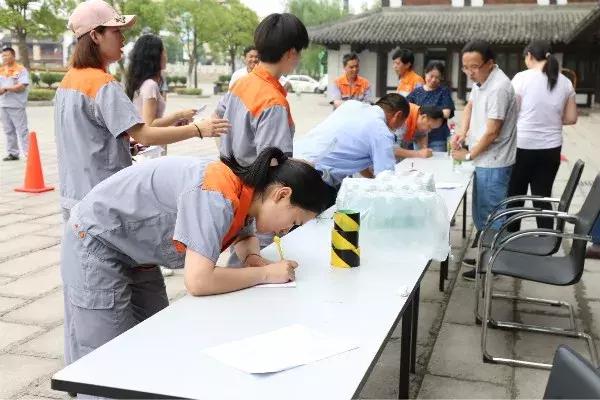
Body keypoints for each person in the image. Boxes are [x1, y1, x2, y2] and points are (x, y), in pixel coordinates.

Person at [61, 147, 334, 366]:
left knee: (153, 342)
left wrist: (252, 257)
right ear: (281, 194)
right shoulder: (217, 193)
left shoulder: (246, 193)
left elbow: (243, 233)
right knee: (105, 359)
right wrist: (265, 273)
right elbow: (199, 281)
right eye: (295, 220)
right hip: (98, 244)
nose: (288, 229)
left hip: (137, 255)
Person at [55, 0, 229, 222]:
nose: (123, 39)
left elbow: (85, 137)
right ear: (95, 36)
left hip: (74, 195)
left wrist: (123, 146)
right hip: (103, 198)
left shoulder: (67, 82)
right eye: (116, 31)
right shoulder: (102, 83)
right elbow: (145, 133)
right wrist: (198, 129)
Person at [450, 40, 518, 281]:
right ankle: (485, 254)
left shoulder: (499, 87)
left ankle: (492, 265)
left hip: (495, 161)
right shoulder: (482, 82)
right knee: (482, 212)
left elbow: (492, 132)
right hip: (484, 159)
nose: (469, 72)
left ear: (490, 63)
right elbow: (470, 106)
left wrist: (468, 155)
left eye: (475, 67)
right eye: (465, 67)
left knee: (491, 213)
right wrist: (462, 131)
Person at [216, 13, 308, 167]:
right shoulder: (273, 102)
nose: (299, 58)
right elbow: (273, 166)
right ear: (291, 53)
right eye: (300, 52)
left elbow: (216, 117)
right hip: (252, 188)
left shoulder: (240, 83)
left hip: (227, 177)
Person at [507, 40, 578, 231]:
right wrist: (552, 118)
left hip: (522, 146)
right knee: (543, 196)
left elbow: (512, 113)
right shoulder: (565, 81)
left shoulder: (521, 78)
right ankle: (547, 238)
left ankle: (510, 240)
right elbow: (571, 118)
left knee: (515, 196)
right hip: (551, 149)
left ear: (529, 55)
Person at [294, 93, 410, 189]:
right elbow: (386, 178)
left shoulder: (351, 105)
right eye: (402, 123)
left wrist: (371, 178)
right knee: (339, 212)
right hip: (312, 176)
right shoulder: (381, 131)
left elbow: (354, 152)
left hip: (292, 160)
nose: (400, 128)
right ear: (398, 115)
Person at [126, 34, 197, 156]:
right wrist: (179, 115)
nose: (166, 56)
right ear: (154, 56)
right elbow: (149, 124)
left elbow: (149, 121)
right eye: (163, 52)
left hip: (148, 147)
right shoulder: (150, 85)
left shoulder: (142, 84)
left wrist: (174, 122)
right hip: (151, 150)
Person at [407, 61, 455, 152]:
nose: (433, 80)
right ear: (425, 73)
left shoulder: (443, 91)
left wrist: (421, 111)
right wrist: (436, 111)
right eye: (431, 76)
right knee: (419, 163)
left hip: (438, 137)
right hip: (419, 136)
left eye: (437, 77)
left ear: (441, 78)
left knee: (436, 163)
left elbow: (446, 113)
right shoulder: (416, 91)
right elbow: (407, 108)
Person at [0, 46, 29, 161]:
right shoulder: (1, 70)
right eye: (3, 56)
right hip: (3, 104)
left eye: (6, 55)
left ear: (13, 56)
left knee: (22, 130)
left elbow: (23, 85)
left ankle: (29, 153)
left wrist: (6, 89)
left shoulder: (20, 69)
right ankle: (13, 153)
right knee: (8, 130)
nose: (4, 58)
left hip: (16, 104)